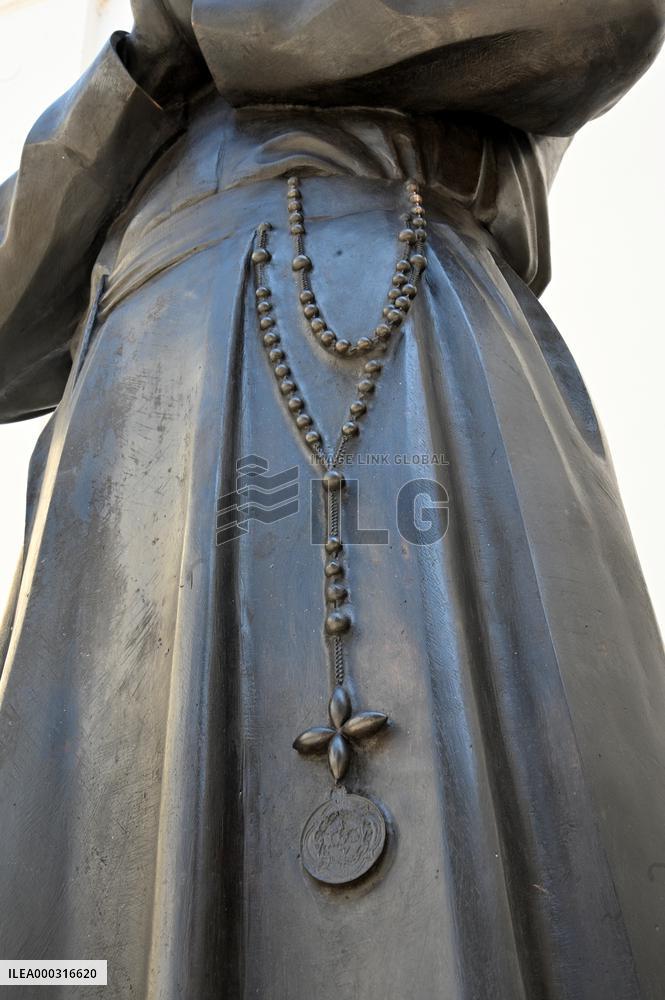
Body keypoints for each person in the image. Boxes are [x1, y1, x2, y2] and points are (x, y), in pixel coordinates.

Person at [0, 1, 664, 996]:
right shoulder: (141, 76)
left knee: (434, 858)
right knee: (92, 888)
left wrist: (212, 16)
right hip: (131, 420)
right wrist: (142, 68)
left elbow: (599, 18)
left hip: (371, 293)